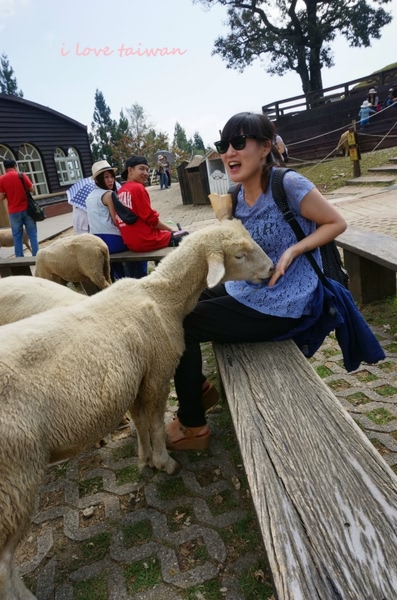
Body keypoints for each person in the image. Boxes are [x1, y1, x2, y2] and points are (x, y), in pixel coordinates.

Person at [166, 111, 347, 451]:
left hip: (286, 301)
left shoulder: (287, 184)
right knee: (186, 300)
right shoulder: (234, 194)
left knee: (185, 324)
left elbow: (336, 223)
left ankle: (193, 424)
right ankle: (200, 389)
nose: (229, 153)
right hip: (251, 289)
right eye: (223, 145)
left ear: (265, 148)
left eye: (238, 143)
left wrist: (294, 250)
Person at [86, 160, 147, 279]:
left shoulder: (89, 197)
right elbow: (117, 221)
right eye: (106, 177)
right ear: (98, 179)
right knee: (139, 245)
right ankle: (140, 277)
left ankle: (121, 278)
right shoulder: (108, 194)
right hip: (112, 240)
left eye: (111, 177)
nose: (110, 180)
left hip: (96, 241)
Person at [117, 155, 187, 251]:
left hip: (131, 243)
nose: (146, 173)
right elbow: (151, 219)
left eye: (147, 170)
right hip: (146, 240)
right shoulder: (137, 188)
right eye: (141, 169)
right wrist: (170, 228)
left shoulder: (120, 191)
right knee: (187, 237)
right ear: (130, 170)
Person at [0, 159, 39, 257]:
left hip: (14, 212)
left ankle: (20, 258)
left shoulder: (2, 179)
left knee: (17, 236)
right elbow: (32, 190)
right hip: (27, 209)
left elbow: (0, 197)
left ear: (5, 168)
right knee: (32, 234)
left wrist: (8, 194)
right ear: (15, 166)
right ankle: (36, 256)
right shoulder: (22, 175)